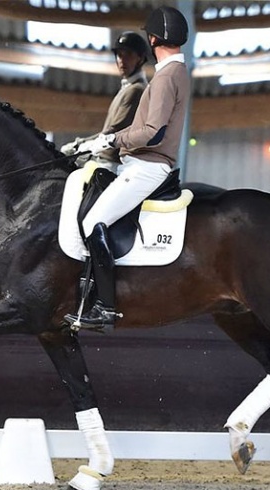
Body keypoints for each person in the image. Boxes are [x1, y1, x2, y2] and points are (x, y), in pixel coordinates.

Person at [65, 6, 190, 331]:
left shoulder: (165, 77)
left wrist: (108, 140)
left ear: (152, 39)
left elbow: (153, 132)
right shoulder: (174, 72)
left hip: (148, 165)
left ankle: (106, 307)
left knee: (94, 221)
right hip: (142, 163)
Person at [60, 31, 149, 171]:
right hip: (105, 158)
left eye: (129, 55)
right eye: (120, 55)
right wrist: (81, 144)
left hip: (113, 163)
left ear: (140, 58)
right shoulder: (127, 88)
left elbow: (115, 131)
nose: (122, 60)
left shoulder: (136, 90)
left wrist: (79, 145)